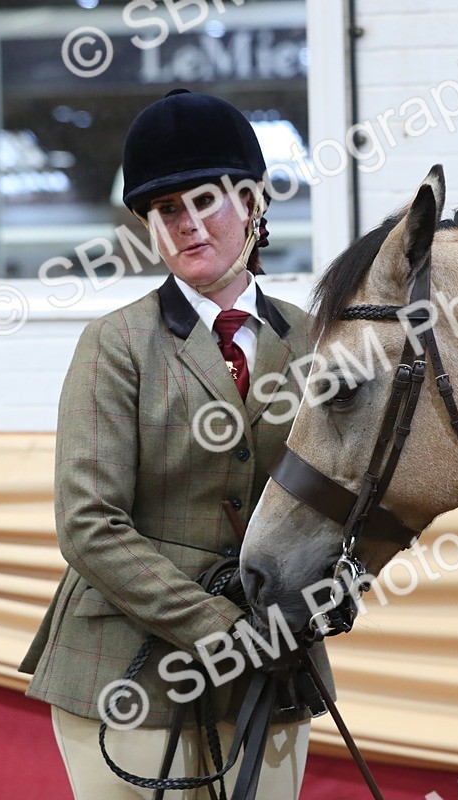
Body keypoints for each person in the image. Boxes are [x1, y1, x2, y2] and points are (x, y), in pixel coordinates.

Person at [19, 89, 330, 800]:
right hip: (125, 667)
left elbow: (336, 496)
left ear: (252, 203)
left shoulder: (315, 340)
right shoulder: (114, 343)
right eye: (165, 211)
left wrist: (333, 585)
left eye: (205, 201)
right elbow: (89, 525)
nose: (187, 225)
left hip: (274, 672)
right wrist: (225, 630)